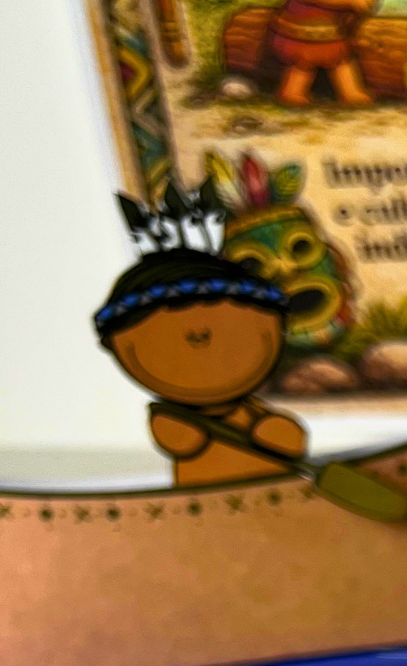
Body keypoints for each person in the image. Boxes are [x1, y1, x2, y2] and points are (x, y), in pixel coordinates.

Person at [95, 190, 305, 488]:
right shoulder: (172, 416)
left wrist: (278, 433)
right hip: (202, 496)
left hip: (275, 489)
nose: (199, 337)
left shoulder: (251, 410)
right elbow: (178, 439)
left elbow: (287, 438)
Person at [269, 0, 378, 109]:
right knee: (302, 64)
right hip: (303, 27)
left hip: (330, 29)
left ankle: (351, 92)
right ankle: (292, 92)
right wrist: (350, 2)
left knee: (340, 59)